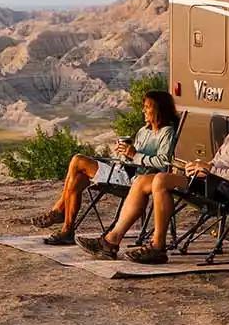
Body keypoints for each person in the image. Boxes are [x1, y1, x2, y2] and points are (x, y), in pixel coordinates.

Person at [81, 88, 229, 264]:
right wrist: (198, 167)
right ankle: (110, 242)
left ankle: (157, 246)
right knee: (141, 181)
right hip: (208, 182)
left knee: (161, 180)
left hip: (222, 191)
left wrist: (208, 170)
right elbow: (216, 163)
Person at [28, 90, 179, 246]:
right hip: (123, 170)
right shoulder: (143, 131)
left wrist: (134, 155)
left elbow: (163, 162)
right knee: (78, 178)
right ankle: (66, 228)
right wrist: (123, 153)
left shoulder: (166, 133)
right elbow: (131, 157)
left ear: (158, 109)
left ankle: (59, 212)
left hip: (134, 180)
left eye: (147, 107)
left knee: (78, 160)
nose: (143, 111)